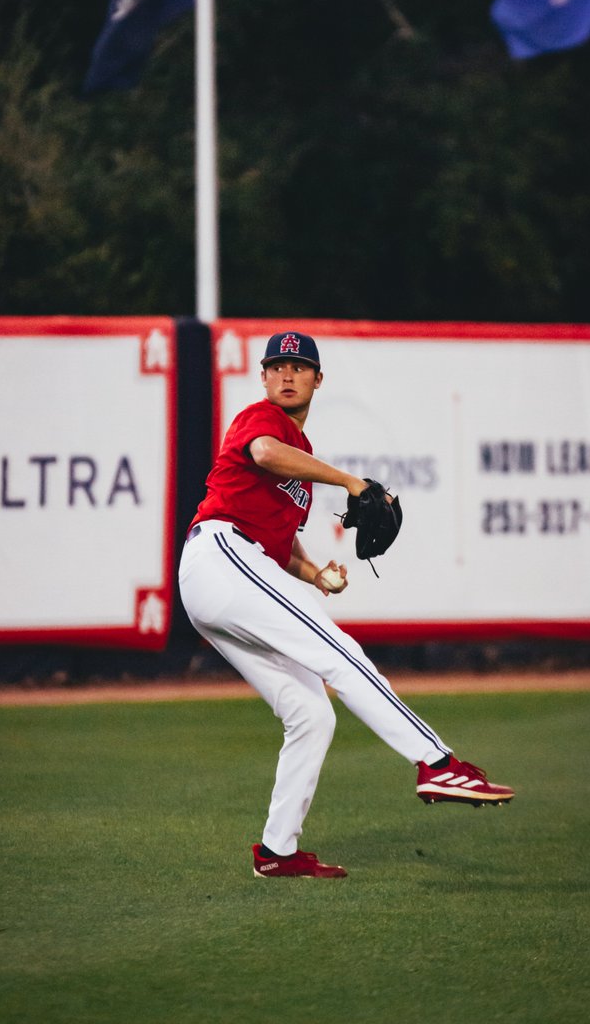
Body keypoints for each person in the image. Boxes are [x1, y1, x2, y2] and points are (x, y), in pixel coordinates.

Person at [178, 330, 514, 879]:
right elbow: (264, 454)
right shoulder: (260, 423)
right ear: (263, 378)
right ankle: (437, 762)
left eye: (299, 365)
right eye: (277, 365)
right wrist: (353, 482)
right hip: (220, 555)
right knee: (341, 650)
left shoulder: (300, 461)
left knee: (311, 712)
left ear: (317, 379)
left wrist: (315, 574)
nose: (287, 374)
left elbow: (278, 542)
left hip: (230, 572)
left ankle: (277, 851)